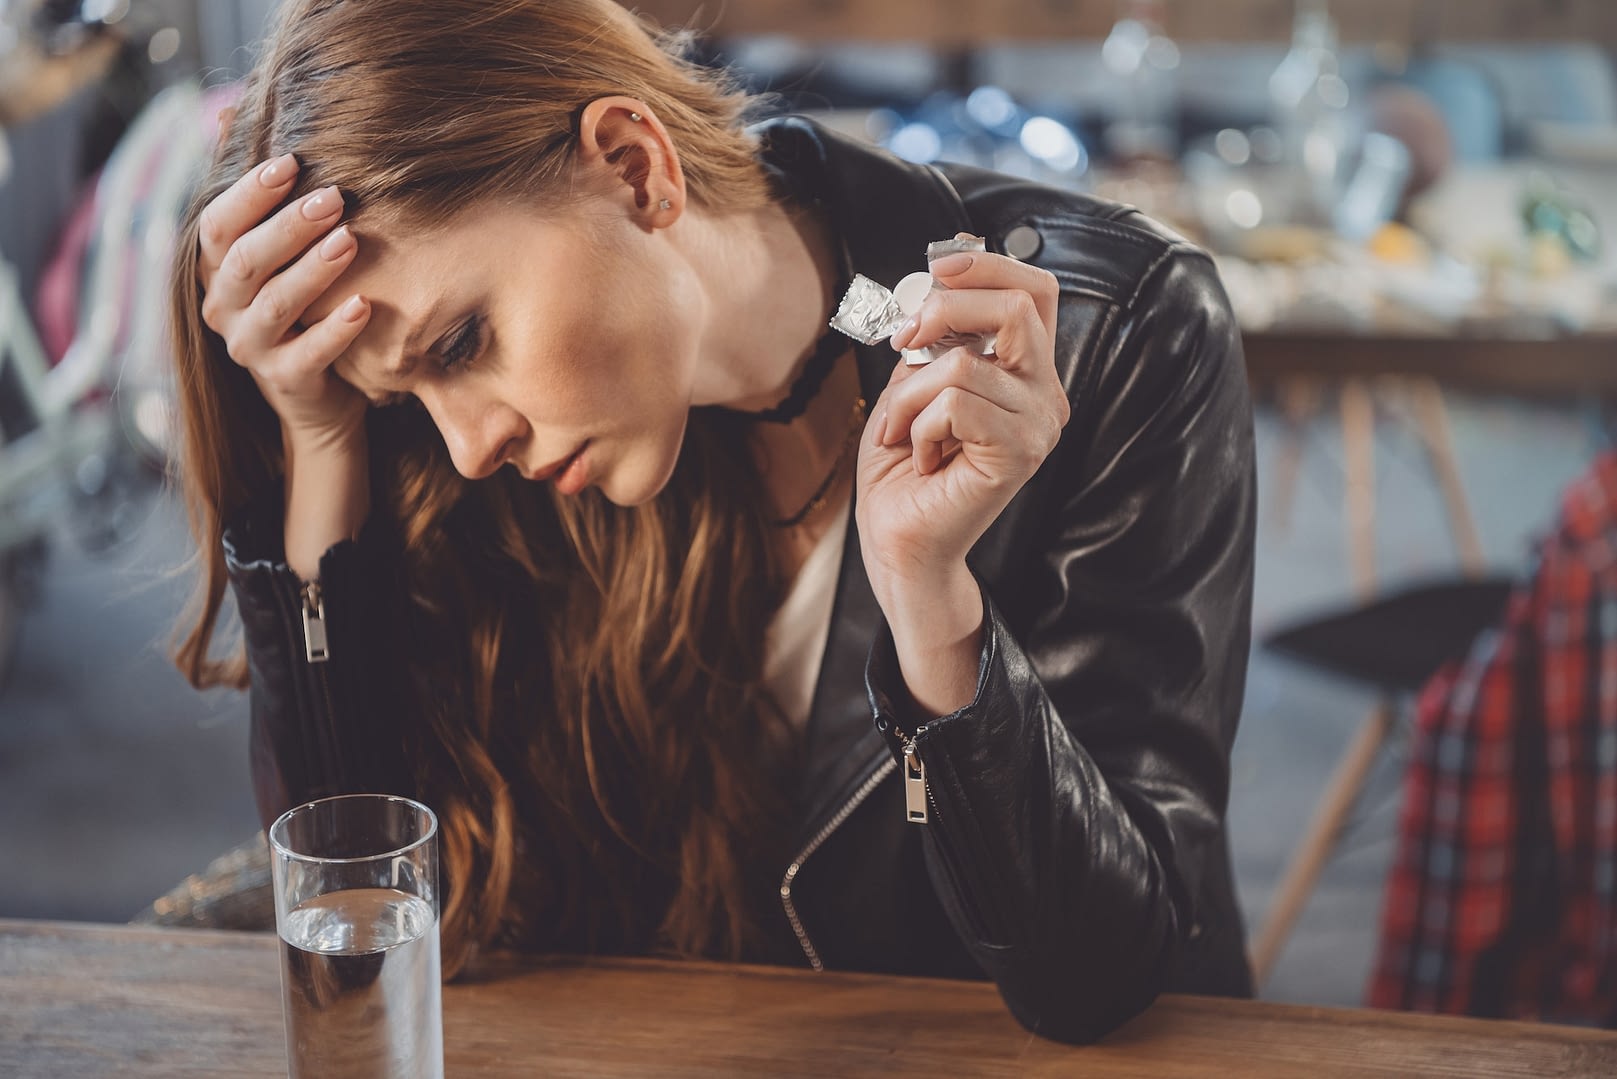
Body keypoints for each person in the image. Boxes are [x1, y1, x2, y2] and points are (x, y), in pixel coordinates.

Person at [169, 0, 1256, 1044]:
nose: (467, 445)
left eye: (461, 344)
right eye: (406, 397)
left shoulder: (1118, 336)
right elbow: (363, 920)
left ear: (636, 167)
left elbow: (1100, 981)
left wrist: (931, 606)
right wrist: (321, 443)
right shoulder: (489, 477)